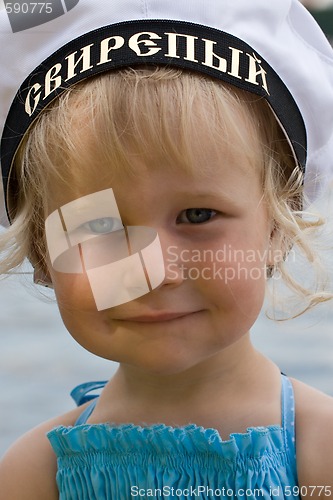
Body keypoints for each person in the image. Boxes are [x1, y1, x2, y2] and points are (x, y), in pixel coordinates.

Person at [0, 0, 333, 498]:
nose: (154, 270)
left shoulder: (320, 452)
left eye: (197, 216)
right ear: (44, 254)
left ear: (276, 227)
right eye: (100, 225)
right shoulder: (31, 474)